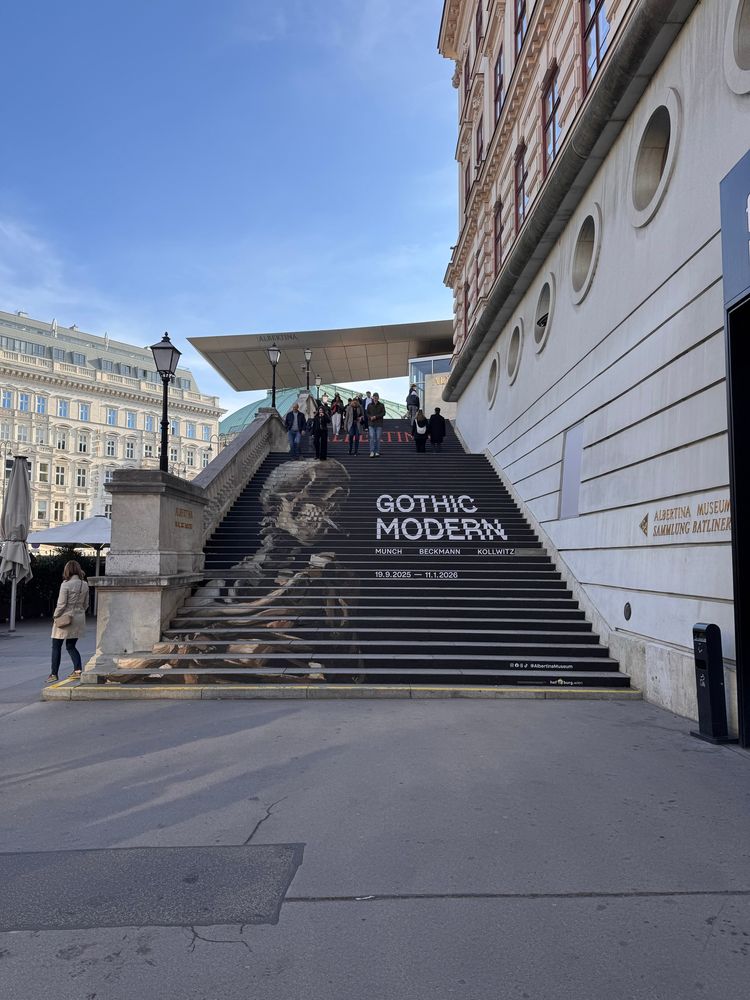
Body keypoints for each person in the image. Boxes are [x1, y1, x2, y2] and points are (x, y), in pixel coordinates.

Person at [48, 560, 90, 683]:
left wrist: (55, 616)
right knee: (71, 646)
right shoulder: (84, 584)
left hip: (65, 618)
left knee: (56, 646)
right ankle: (77, 670)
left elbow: (61, 604)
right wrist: (79, 612)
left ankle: (53, 674)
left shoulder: (65, 585)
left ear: (67, 571)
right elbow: (86, 604)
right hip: (78, 618)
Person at [367, 392, 386, 457]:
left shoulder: (381, 405)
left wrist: (376, 417)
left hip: (379, 424)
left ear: (378, 398)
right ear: (373, 397)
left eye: (376, 397)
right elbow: (367, 413)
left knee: (378, 438)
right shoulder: (369, 405)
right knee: (372, 437)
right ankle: (372, 451)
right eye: (374, 397)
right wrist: (370, 417)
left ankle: (377, 451)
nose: (375, 398)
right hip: (371, 424)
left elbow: (383, 413)